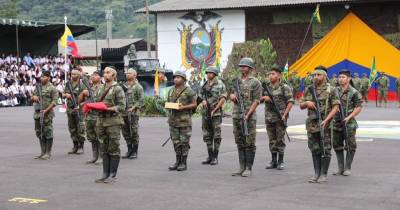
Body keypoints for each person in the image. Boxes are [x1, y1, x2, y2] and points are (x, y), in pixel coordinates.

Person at [300, 66, 340, 183]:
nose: (315, 77)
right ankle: (316, 173)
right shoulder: (309, 89)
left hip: (325, 124)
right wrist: (307, 103)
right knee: (315, 149)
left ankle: (323, 174)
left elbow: (336, 107)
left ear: (324, 76)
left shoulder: (331, 89)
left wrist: (327, 120)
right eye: (314, 75)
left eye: (318, 75)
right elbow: (301, 105)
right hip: (312, 124)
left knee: (326, 149)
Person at [229, 57, 262, 177]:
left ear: (250, 68)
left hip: (249, 116)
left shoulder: (255, 82)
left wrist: (248, 114)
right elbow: (232, 93)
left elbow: (257, 100)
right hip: (237, 115)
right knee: (240, 141)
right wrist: (232, 96)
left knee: (249, 141)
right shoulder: (236, 81)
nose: (242, 68)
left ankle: (248, 167)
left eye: (245, 66)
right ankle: (241, 166)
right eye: (241, 66)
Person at [95, 67, 126, 183]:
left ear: (113, 75)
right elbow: (96, 101)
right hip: (101, 121)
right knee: (104, 148)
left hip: (113, 122)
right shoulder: (100, 88)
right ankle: (105, 173)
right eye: (104, 72)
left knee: (113, 148)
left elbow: (122, 106)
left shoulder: (117, 89)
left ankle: (112, 174)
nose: (105, 74)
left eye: (108, 73)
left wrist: (108, 109)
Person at [262, 65, 294, 170]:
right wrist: (264, 98)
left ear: (279, 75)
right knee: (272, 139)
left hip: (280, 117)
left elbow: (290, 102)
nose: (271, 76)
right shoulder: (266, 87)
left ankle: (281, 161)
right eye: (269, 74)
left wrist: (285, 114)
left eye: (273, 74)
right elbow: (259, 98)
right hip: (269, 117)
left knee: (280, 139)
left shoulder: (284, 87)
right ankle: (273, 160)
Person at [332, 70, 362, 176]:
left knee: (350, 145)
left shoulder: (354, 92)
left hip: (349, 122)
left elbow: (358, 107)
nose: (341, 79)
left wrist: (349, 117)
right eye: (340, 77)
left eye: (343, 77)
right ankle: (340, 167)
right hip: (336, 121)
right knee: (337, 145)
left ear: (349, 79)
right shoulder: (334, 91)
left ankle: (347, 167)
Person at [166, 70, 197, 171]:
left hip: (184, 121)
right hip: (173, 121)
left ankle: (183, 163)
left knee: (184, 142)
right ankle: (177, 161)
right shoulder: (170, 90)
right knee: (176, 142)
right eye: (175, 77)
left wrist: (183, 107)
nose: (175, 79)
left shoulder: (188, 90)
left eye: (178, 77)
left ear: (183, 79)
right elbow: (167, 102)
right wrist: (168, 106)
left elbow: (194, 104)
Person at [200, 66, 227, 165]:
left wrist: (215, 110)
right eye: (207, 73)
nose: (208, 74)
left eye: (210, 73)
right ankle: (210, 156)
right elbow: (201, 95)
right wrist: (203, 101)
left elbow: (223, 98)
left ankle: (215, 157)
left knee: (216, 135)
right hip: (205, 113)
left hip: (216, 114)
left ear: (215, 74)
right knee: (207, 135)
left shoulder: (220, 85)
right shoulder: (205, 84)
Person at [31, 70, 58, 160]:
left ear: (48, 78)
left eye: (44, 77)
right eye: (41, 77)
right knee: (39, 132)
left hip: (47, 113)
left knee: (48, 132)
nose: (42, 78)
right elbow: (33, 97)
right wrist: (34, 97)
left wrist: (46, 110)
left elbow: (55, 102)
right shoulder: (38, 87)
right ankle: (42, 152)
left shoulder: (52, 88)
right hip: (38, 113)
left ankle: (48, 152)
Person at [79, 71, 102, 164]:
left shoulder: (103, 88)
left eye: (96, 75)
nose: (93, 76)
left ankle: (101, 157)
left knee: (100, 137)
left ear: (100, 77)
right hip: (89, 117)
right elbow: (79, 101)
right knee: (92, 137)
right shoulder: (88, 89)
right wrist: (83, 94)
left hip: (98, 116)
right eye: (92, 75)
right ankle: (94, 156)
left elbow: (103, 102)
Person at [121, 68, 144, 159]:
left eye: (129, 73)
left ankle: (135, 151)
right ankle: (129, 150)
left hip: (133, 113)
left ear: (135, 75)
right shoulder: (123, 86)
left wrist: (134, 107)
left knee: (134, 132)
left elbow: (141, 100)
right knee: (125, 131)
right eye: (127, 73)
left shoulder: (138, 87)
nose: (127, 75)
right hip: (124, 112)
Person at [63, 69, 87, 154]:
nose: (72, 75)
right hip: (70, 109)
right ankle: (75, 145)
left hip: (79, 109)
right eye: (71, 74)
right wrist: (66, 95)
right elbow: (63, 94)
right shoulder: (68, 84)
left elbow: (87, 98)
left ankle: (81, 146)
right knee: (72, 128)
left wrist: (81, 105)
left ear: (78, 75)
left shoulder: (82, 84)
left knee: (80, 128)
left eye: (74, 74)